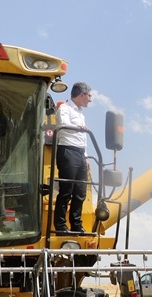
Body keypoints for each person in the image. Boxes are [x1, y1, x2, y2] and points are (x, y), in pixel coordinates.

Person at [54, 81, 92, 234]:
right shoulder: (64, 108)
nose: (90, 99)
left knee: (80, 192)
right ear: (82, 95)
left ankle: (76, 224)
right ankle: (61, 226)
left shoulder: (80, 114)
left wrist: (86, 156)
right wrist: (79, 128)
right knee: (66, 191)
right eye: (89, 96)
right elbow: (62, 125)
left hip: (80, 153)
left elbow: (83, 138)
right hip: (67, 151)